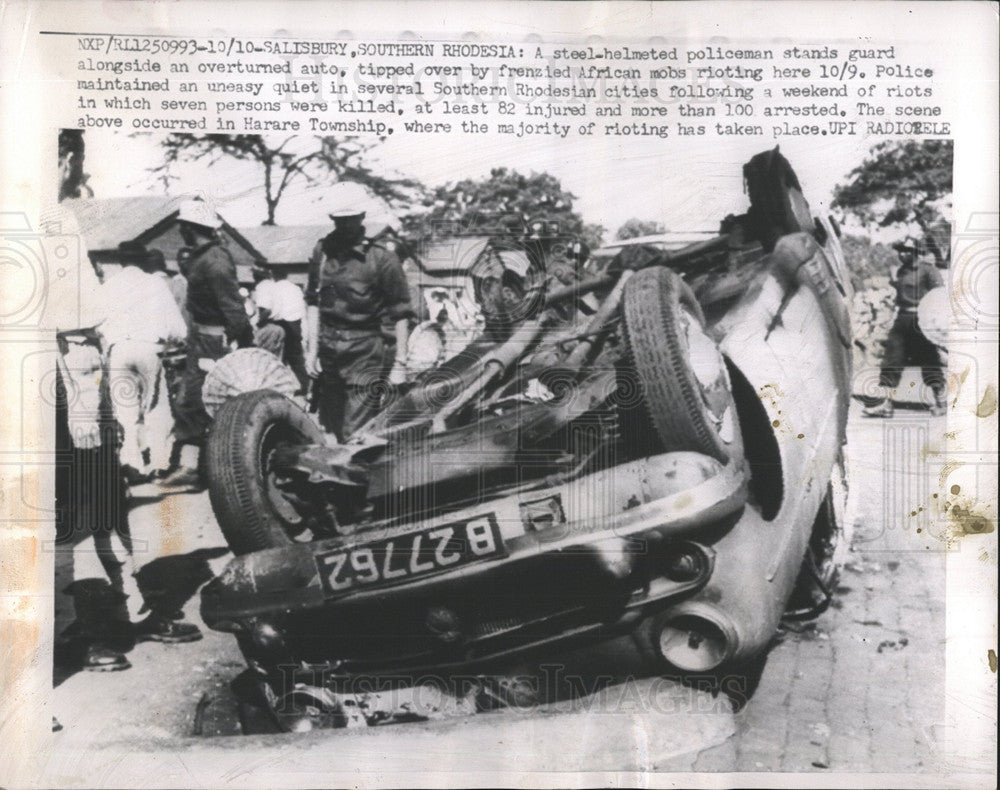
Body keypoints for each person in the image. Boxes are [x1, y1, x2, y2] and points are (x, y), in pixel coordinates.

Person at [304, 181, 413, 441]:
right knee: (327, 429)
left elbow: (401, 315)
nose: (344, 226)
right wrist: (311, 351)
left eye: (350, 219)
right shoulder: (322, 252)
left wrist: (400, 363)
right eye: (339, 220)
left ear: (362, 217)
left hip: (365, 351)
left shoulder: (381, 259)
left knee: (355, 433)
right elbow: (313, 302)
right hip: (329, 352)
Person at [161, 198, 254, 489]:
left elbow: (231, 306)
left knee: (207, 400)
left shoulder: (214, 259)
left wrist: (242, 341)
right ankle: (193, 466)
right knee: (193, 400)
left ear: (190, 228)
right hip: (202, 338)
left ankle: (207, 467)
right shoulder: (203, 256)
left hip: (214, 340)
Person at [99, 244, 187, 482]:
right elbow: (178, 327)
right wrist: (175, 339)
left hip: (119, 349)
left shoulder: (109, 286)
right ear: (143, 260)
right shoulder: (155, 284)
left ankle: (131, 463)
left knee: (125, 409)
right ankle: (159, 462)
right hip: (150, 347)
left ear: (120, 261)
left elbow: (99, 324)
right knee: (155, 407)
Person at [863, 237, 947, 418]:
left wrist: (936, 323)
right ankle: (885, 404)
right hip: (902, 320)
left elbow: (940, 296)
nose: (902, 254)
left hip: (923, 321)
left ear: (916, 252)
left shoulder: (928, 270)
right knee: (891, 360)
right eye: (900, 250)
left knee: (930, 361)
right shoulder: (901, 271)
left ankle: (941, 401)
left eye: (906, 250)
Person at [255, 263, 309, 392]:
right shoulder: (296, 288)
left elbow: (268, 309)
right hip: (296, 323)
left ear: (273, 275)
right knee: (296, 357)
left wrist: (258, 322)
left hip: (281, 323)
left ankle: (277, 386)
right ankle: (303, 386)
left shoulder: (272, 288)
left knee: (277, 357)